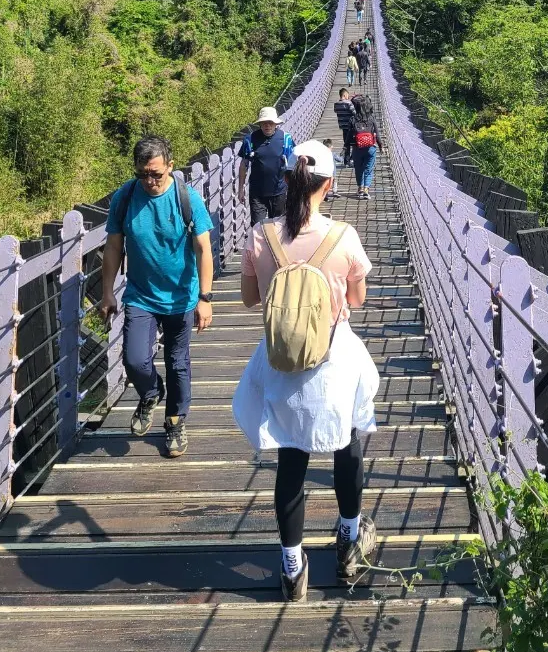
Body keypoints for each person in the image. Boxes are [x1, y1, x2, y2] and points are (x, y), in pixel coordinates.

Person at [233, 140, 379, 602]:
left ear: (288, 181)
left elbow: (250, 300)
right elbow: (356, 301)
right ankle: (350, 541)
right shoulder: (344, 236)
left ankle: (293, 569)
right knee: (348, 443)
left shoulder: (262, 235)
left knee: (291, 460)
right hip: (333, 363)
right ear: (329, 185)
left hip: (281, 365)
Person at [99, 135, 214, 459]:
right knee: (134, 359)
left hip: (180, 297)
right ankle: (151, 392)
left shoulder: (186, 198)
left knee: (178, 364)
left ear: (170, 167)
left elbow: (204, 249)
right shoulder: (125, 197)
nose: (149, 181)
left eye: (156, 174)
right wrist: (107, 292)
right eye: (143, 174)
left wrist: (205, 297)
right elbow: (112, 248)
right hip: (140, 294)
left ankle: (175, 422)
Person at [238, 107, 295, 225]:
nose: (267, 126)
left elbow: (292, 163)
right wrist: (240, 189)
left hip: (279, 191)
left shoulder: (286, 139)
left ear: (276, 124)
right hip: (257, 194)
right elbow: (244, 164)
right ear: (260, 124)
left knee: (279, 227)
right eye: (264, 123)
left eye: (270, 123)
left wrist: (294, 188)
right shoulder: (250, 140)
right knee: (257, 227)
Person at [347, 95, 381, 201]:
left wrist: (346, 148)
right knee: (368, 169)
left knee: (358, 168)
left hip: (357, 148)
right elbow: (377, 135)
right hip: (370, 148)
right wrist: (381, 146)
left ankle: (360, 188)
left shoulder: (353, 119)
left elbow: (349, 136)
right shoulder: (371, 118)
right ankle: (366, 190)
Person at [334, 88, 356, 165]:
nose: (348, 96)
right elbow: (354, 113)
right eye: (347, 95)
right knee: (354, 143)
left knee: (346, 144)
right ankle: (353, 159)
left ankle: (346, 161)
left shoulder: (336, 104)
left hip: (343, 127)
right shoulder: (349, 103)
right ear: (344, 95)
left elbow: (336, 111)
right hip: (351, 127)